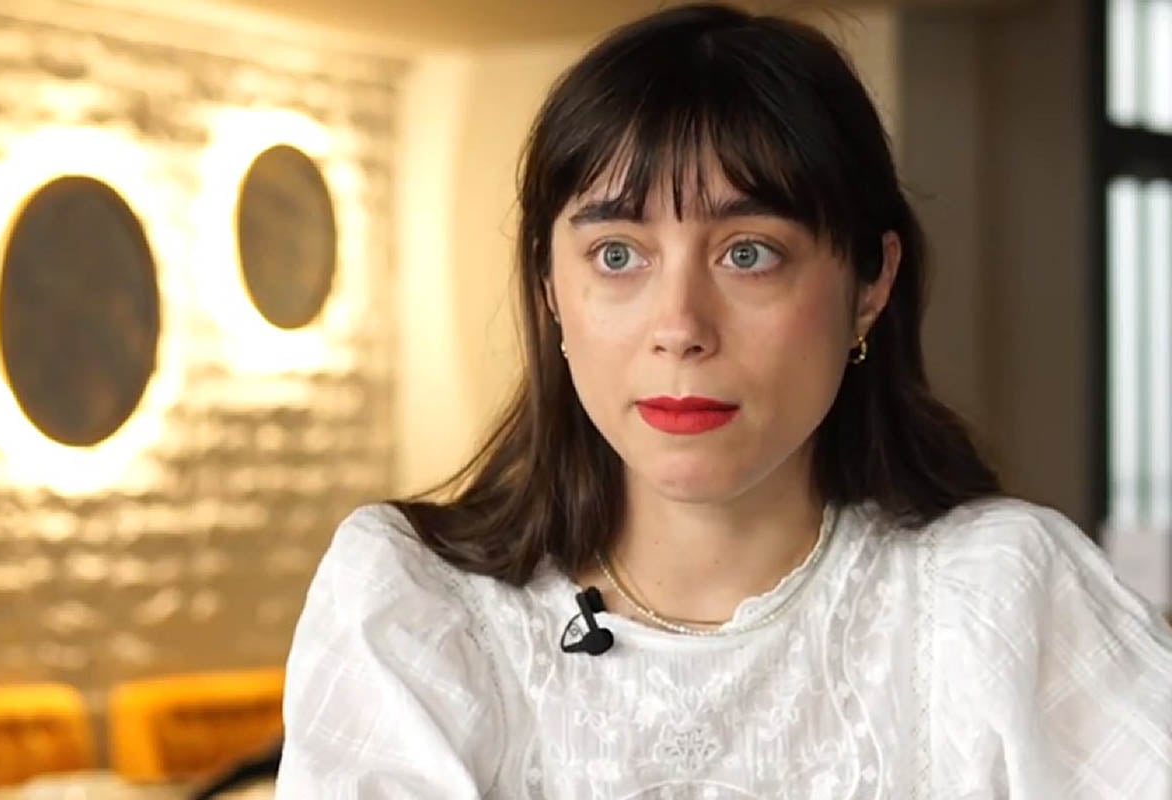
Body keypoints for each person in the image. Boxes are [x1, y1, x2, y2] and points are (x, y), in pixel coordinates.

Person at [275, 4, 1172, 797]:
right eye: (618, 256)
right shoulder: (417, 609)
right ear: (550, 287)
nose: (681, 327)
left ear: (869, 284)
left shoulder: (1000, 599)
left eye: (748, 253)